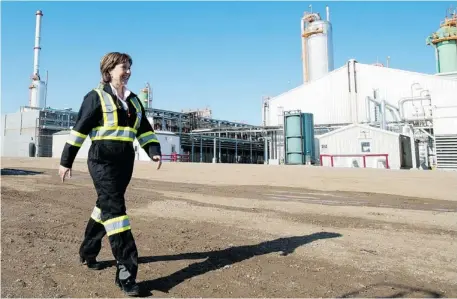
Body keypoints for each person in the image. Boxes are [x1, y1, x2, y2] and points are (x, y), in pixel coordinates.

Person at [58, 52, 162, 296]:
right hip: (101, 161)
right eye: (123, 67)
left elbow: (144, 129)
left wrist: (153, 150)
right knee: (116, 213)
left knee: (104, 205)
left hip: (125, 162)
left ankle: (87, 251)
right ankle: (127, 271)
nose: (128, 71)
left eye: (129, 67)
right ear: (109, 70)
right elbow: (79, 130)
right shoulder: (95, 97)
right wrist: (66, 161)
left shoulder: (134, 101)